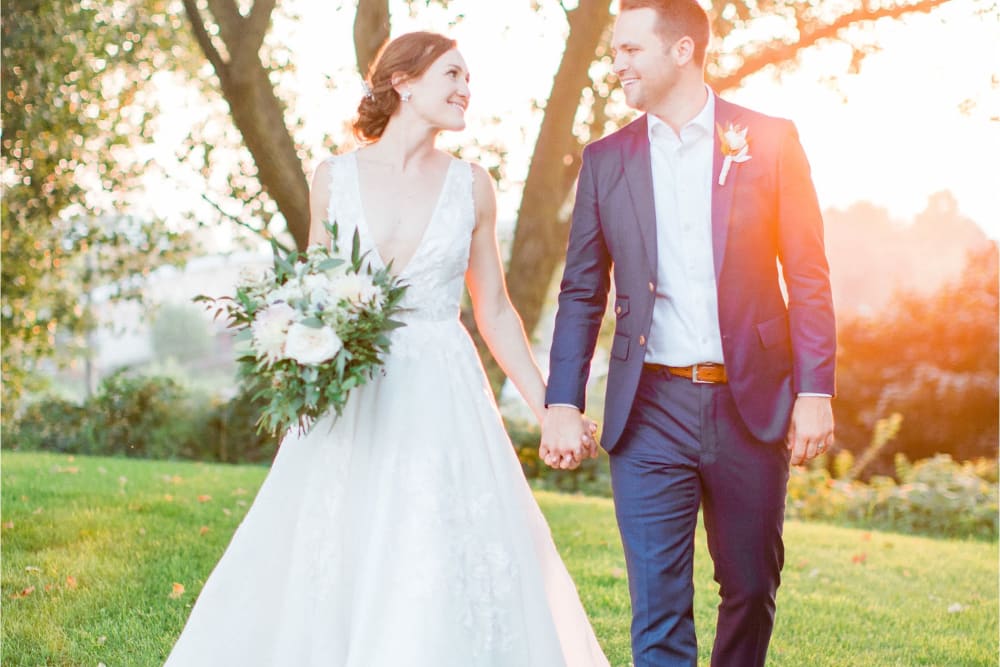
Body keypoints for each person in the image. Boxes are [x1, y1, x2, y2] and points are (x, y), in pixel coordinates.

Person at [164, 31, 609, 667]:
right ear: (402, 81)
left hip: (442, 391)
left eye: (468, 80)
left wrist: (548, 408)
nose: (465, 90)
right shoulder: (333, 178)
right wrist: (298, 351)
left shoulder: (472, 186)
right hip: (352, 390)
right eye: (453, 75)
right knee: (336, 536)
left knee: (437, 532)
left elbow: (497, 310)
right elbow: (310, 291)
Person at [540, 1, 837, 666]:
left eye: (630, 51)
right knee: (658, 603)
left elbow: (809, 275)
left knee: (752, 586)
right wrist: (563, 401)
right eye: (614, 52)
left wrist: (816, 388)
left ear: (681, 52)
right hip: (648, 411)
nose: (616, 65)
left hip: (750, 402)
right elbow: (582, 291)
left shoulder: (772, 140)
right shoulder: (605, 160)